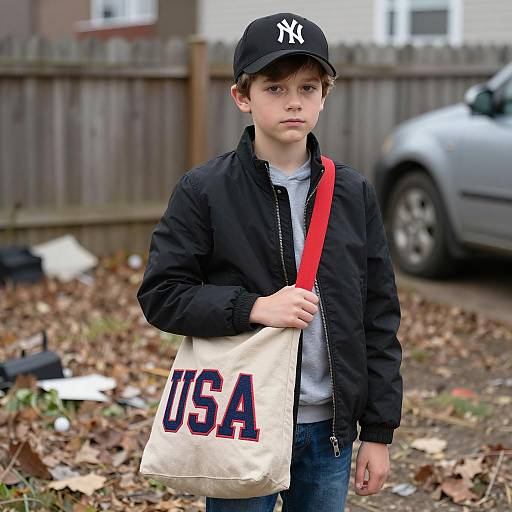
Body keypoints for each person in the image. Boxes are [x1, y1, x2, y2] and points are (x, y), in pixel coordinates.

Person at [137, 11, 403, 512]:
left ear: (325, 95)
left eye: (307, 87)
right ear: (243, 96)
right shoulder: (204, 191)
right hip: (241, 421)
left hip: (330, 432)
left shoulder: (352, 192)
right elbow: (162, 296)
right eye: (275, 88)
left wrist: (379, 431)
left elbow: (378, 315)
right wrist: (254, 307)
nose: (294, 101)